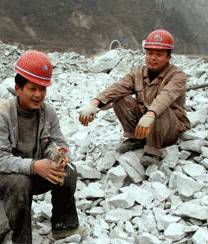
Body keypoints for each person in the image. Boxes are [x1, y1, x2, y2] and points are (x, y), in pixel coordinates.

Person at [0, 51, 89, 244]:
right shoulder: (0, 115)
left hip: (35, 171)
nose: (38, 95)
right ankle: (22, 243)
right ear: (18, 89)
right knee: (20, 181)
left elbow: (57, 142)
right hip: (2, 178)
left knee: (68, 171)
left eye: (42, 89)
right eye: (32, 89)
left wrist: (59, 156)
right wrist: (36, 166)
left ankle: (64, 226)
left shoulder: (48, 113)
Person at [79, 29, 190, 166]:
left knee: (160, 109)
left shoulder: (178, 76)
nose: (153, 58)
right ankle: (135, 138)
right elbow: (118, 87)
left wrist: (151, 114)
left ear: (168, 57)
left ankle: (152, 151)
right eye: (150, 53)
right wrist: (94, 103)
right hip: (144, 123)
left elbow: (166, 96)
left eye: (159, 54)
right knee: (120, 98)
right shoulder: (138, 73)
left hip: (169, 129)